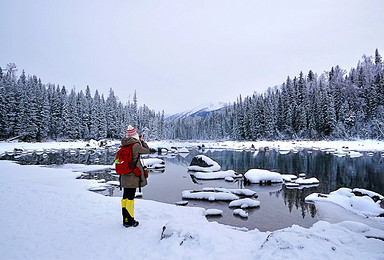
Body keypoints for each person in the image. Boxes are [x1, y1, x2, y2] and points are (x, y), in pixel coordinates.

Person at [120, 125, 150, 228]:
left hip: (124, 174)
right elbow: (147, 150)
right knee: (131, 198)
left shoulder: (124, 145)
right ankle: (131, 221)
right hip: (133, 175)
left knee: (125, 197)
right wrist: (142, 141)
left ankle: (125, 219)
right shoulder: (136, 145)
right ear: (135, 136)